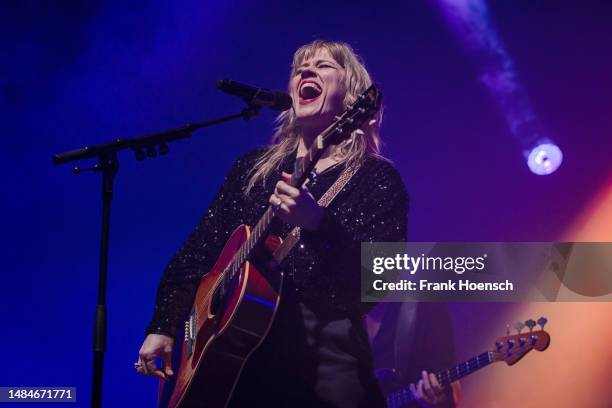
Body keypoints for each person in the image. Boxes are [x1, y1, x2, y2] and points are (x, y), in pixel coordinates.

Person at [136, 39, 439, 407]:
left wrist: (319, 225)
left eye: (325, 66)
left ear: (351, 98)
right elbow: (198, 254)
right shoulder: (253, 169)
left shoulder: (375, 179)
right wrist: (165, 326)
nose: (307, 72)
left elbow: (377, 282)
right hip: (239, 368)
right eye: (300, 69)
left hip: (324, 368)